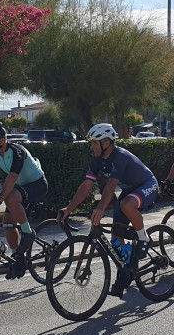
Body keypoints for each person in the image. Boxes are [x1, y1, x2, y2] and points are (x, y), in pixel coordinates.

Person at [59, 123, 158, 298]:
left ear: (105, 143)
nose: (91, 146)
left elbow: (111, 185)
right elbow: (86, 186)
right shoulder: (97, 160)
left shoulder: (119, 156)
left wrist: (100, 209)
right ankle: (128, 270)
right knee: (116, 237)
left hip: (147, 184)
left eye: (94, 143)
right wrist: (69, 208)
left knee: (126, 204)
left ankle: (144, 238)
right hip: (130, 190)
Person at [0, 122, 47, 279]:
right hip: (22, 188)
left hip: (37, 185)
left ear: (1, 142)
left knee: (10, 197)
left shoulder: (17, 151)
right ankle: (18, 259)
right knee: (8, 224)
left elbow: (12, 178)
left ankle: (28, 232)